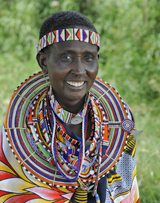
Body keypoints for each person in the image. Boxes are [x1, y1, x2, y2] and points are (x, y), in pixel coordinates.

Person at [0, 11, 140, 203]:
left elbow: (125, 192)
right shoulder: (17, 134)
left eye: (89, 58)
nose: (80, 70)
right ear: (43, 62)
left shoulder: (119, 121)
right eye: (66, 57)